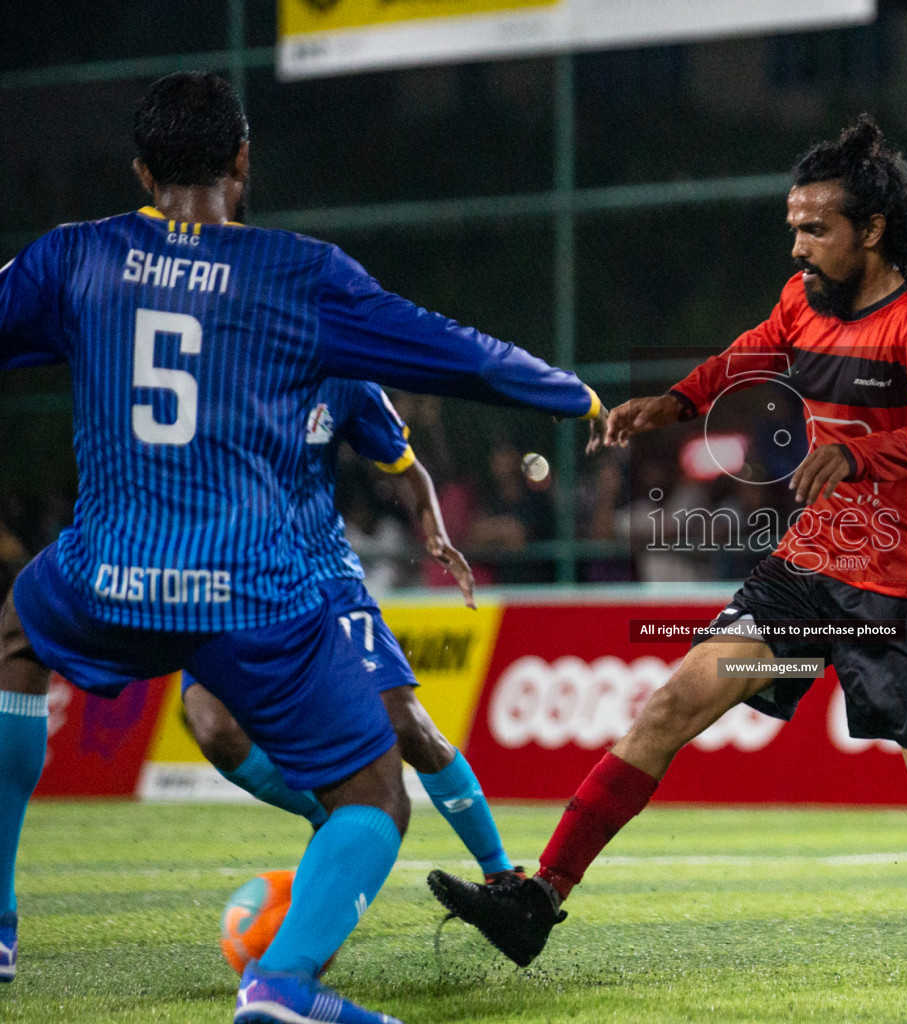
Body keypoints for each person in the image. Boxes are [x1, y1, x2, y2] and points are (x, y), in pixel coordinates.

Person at [426, 116, 907, 976]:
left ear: (871, 230)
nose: (798, 245)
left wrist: (859, 452)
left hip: (902, 587)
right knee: (670, 706)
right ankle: (541, 896)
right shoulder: (803, 303)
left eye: (816, 228)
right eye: (793, 226)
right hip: (808, 569)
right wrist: (669, 403)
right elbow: (745, 358)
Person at [0, 72, 603, 1023]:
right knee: (375, 794)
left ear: (141, 171)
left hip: (107, 573)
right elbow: (449, 348)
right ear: (243, 161)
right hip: (253, 594)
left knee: (16, 639)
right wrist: (567, 393)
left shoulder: (75, 257)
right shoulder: (299, 275)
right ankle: (283, 985)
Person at [179, 378, 519, 887]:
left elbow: (406, 465)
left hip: (323, 578)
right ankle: (331, 816)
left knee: (405, 723)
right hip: (235, 581)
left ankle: (502, 880)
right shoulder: (219, 368)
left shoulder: (344, 382)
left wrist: (435, 528)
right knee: (212, 726)